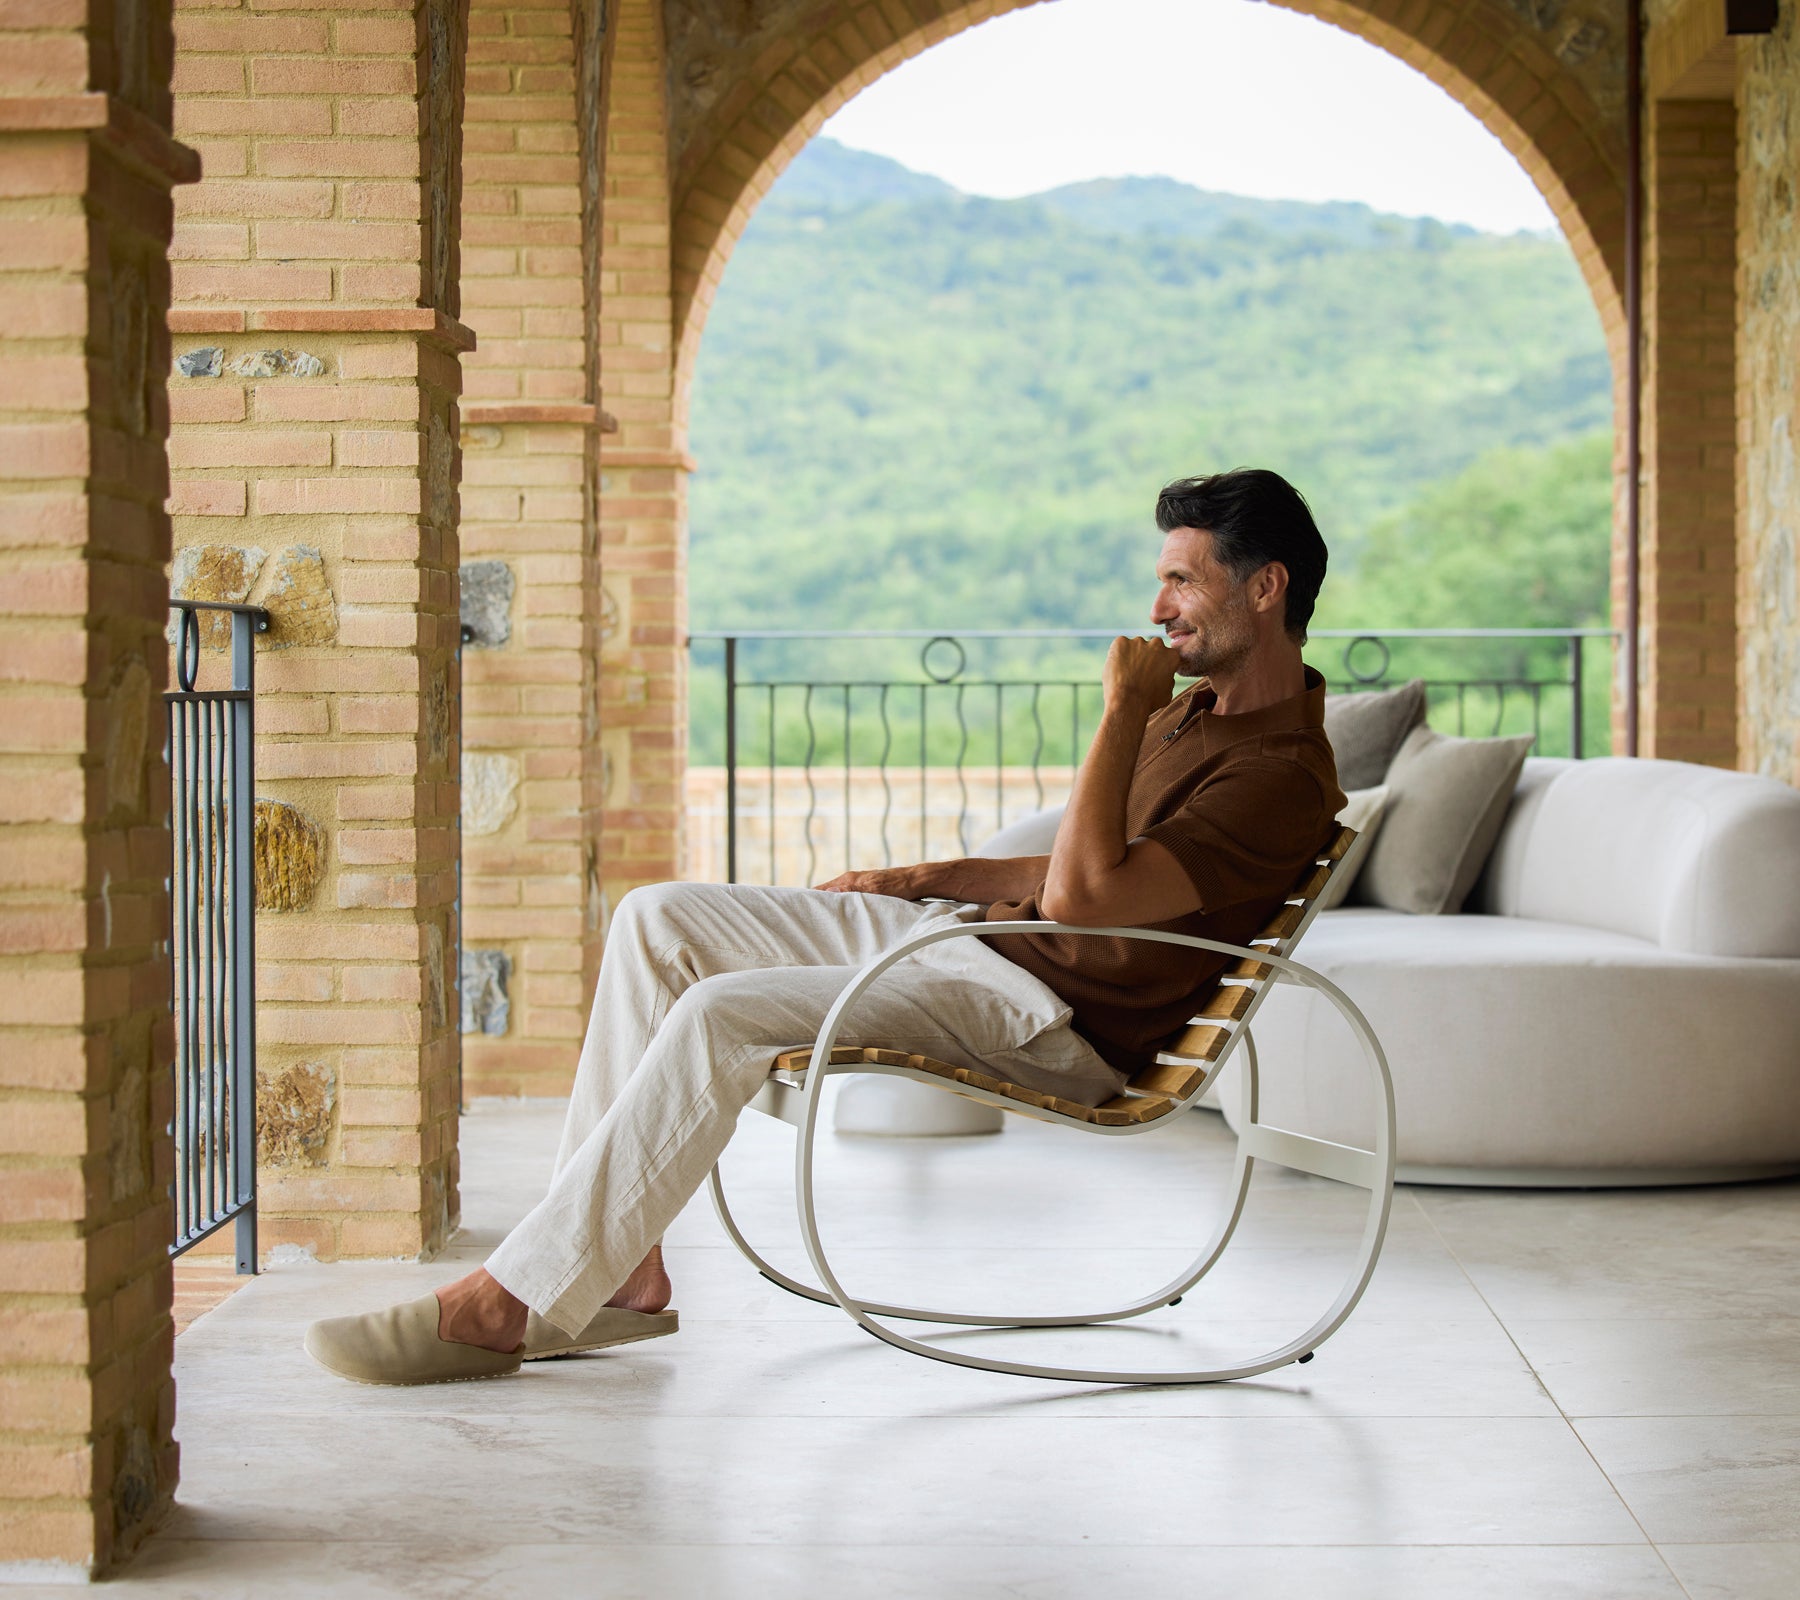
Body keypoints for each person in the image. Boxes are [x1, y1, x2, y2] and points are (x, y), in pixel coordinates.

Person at [305, 467, 1346, 1385]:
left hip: (1046, 1017)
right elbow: (1081, 863)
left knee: (718, 1013)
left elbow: (1085, 896)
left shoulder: (1279, 777)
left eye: (1182, 577)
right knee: (658, 916)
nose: (1158, 605)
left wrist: (1117, 710)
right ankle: (618, 1270)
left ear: (1266, 587)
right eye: (1161, 576)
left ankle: (510, 1301)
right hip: (978, 948)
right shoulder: (1197, 710)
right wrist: (914, 876)